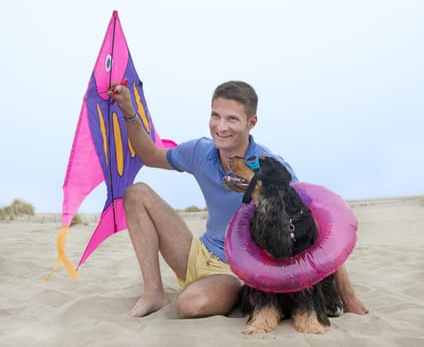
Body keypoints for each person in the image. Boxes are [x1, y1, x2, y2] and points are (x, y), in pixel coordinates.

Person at [108, 80, 368, 318]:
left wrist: (348, 296)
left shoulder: (271, 168)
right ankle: (153, 292)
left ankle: (230, 295)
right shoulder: (200, 151)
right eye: (215, 116)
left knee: (188, 306)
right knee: (136, 193)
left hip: (235, 270)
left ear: (251, 122)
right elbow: (150, 155)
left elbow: (317, 226)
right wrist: (129, 111)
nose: (220, 127)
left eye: (232, 119)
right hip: (198, 253)